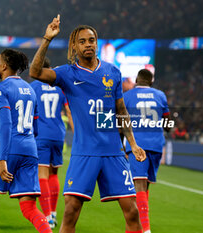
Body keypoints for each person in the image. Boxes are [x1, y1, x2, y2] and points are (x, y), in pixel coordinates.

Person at [29, 15, 146, 233]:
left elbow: (121, 111)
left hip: (114, 153)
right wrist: (47, 38)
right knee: (71, 212)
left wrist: (133, 143)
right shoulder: (67, 73)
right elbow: (34, 72)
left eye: (91, 40)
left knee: (132, 211)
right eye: (82, 41)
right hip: (84, 153)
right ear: (74, 46)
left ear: (96, 43)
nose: (88, 44)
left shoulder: (113, 72)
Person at [0, 49, 52, 233]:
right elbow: (35, 127)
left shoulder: (0, 88)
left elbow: (5, 123)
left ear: (4, 66)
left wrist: (3, 160)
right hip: (30, 149)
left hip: (8, 148)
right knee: (29, 208)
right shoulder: (30, 90)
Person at [123, 69, 171, 233]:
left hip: (137, 146)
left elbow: (121, 122)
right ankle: (135, 229)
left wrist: (122, 145)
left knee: (139, 187)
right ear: (151, 82)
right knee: (145, 187)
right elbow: (168, 124)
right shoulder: (160, 95)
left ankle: (145, 229)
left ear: (137, 80)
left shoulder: (127, 96)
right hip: (156, 145)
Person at [30, 56, 73, 228]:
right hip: (58, 134)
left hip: (41, 134)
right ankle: (54, 214)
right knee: (54, 174)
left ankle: (47, 216)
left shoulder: (33, 87)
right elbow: (69, 112)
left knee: (42, 175)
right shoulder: (59, 87)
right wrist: (76, 134)